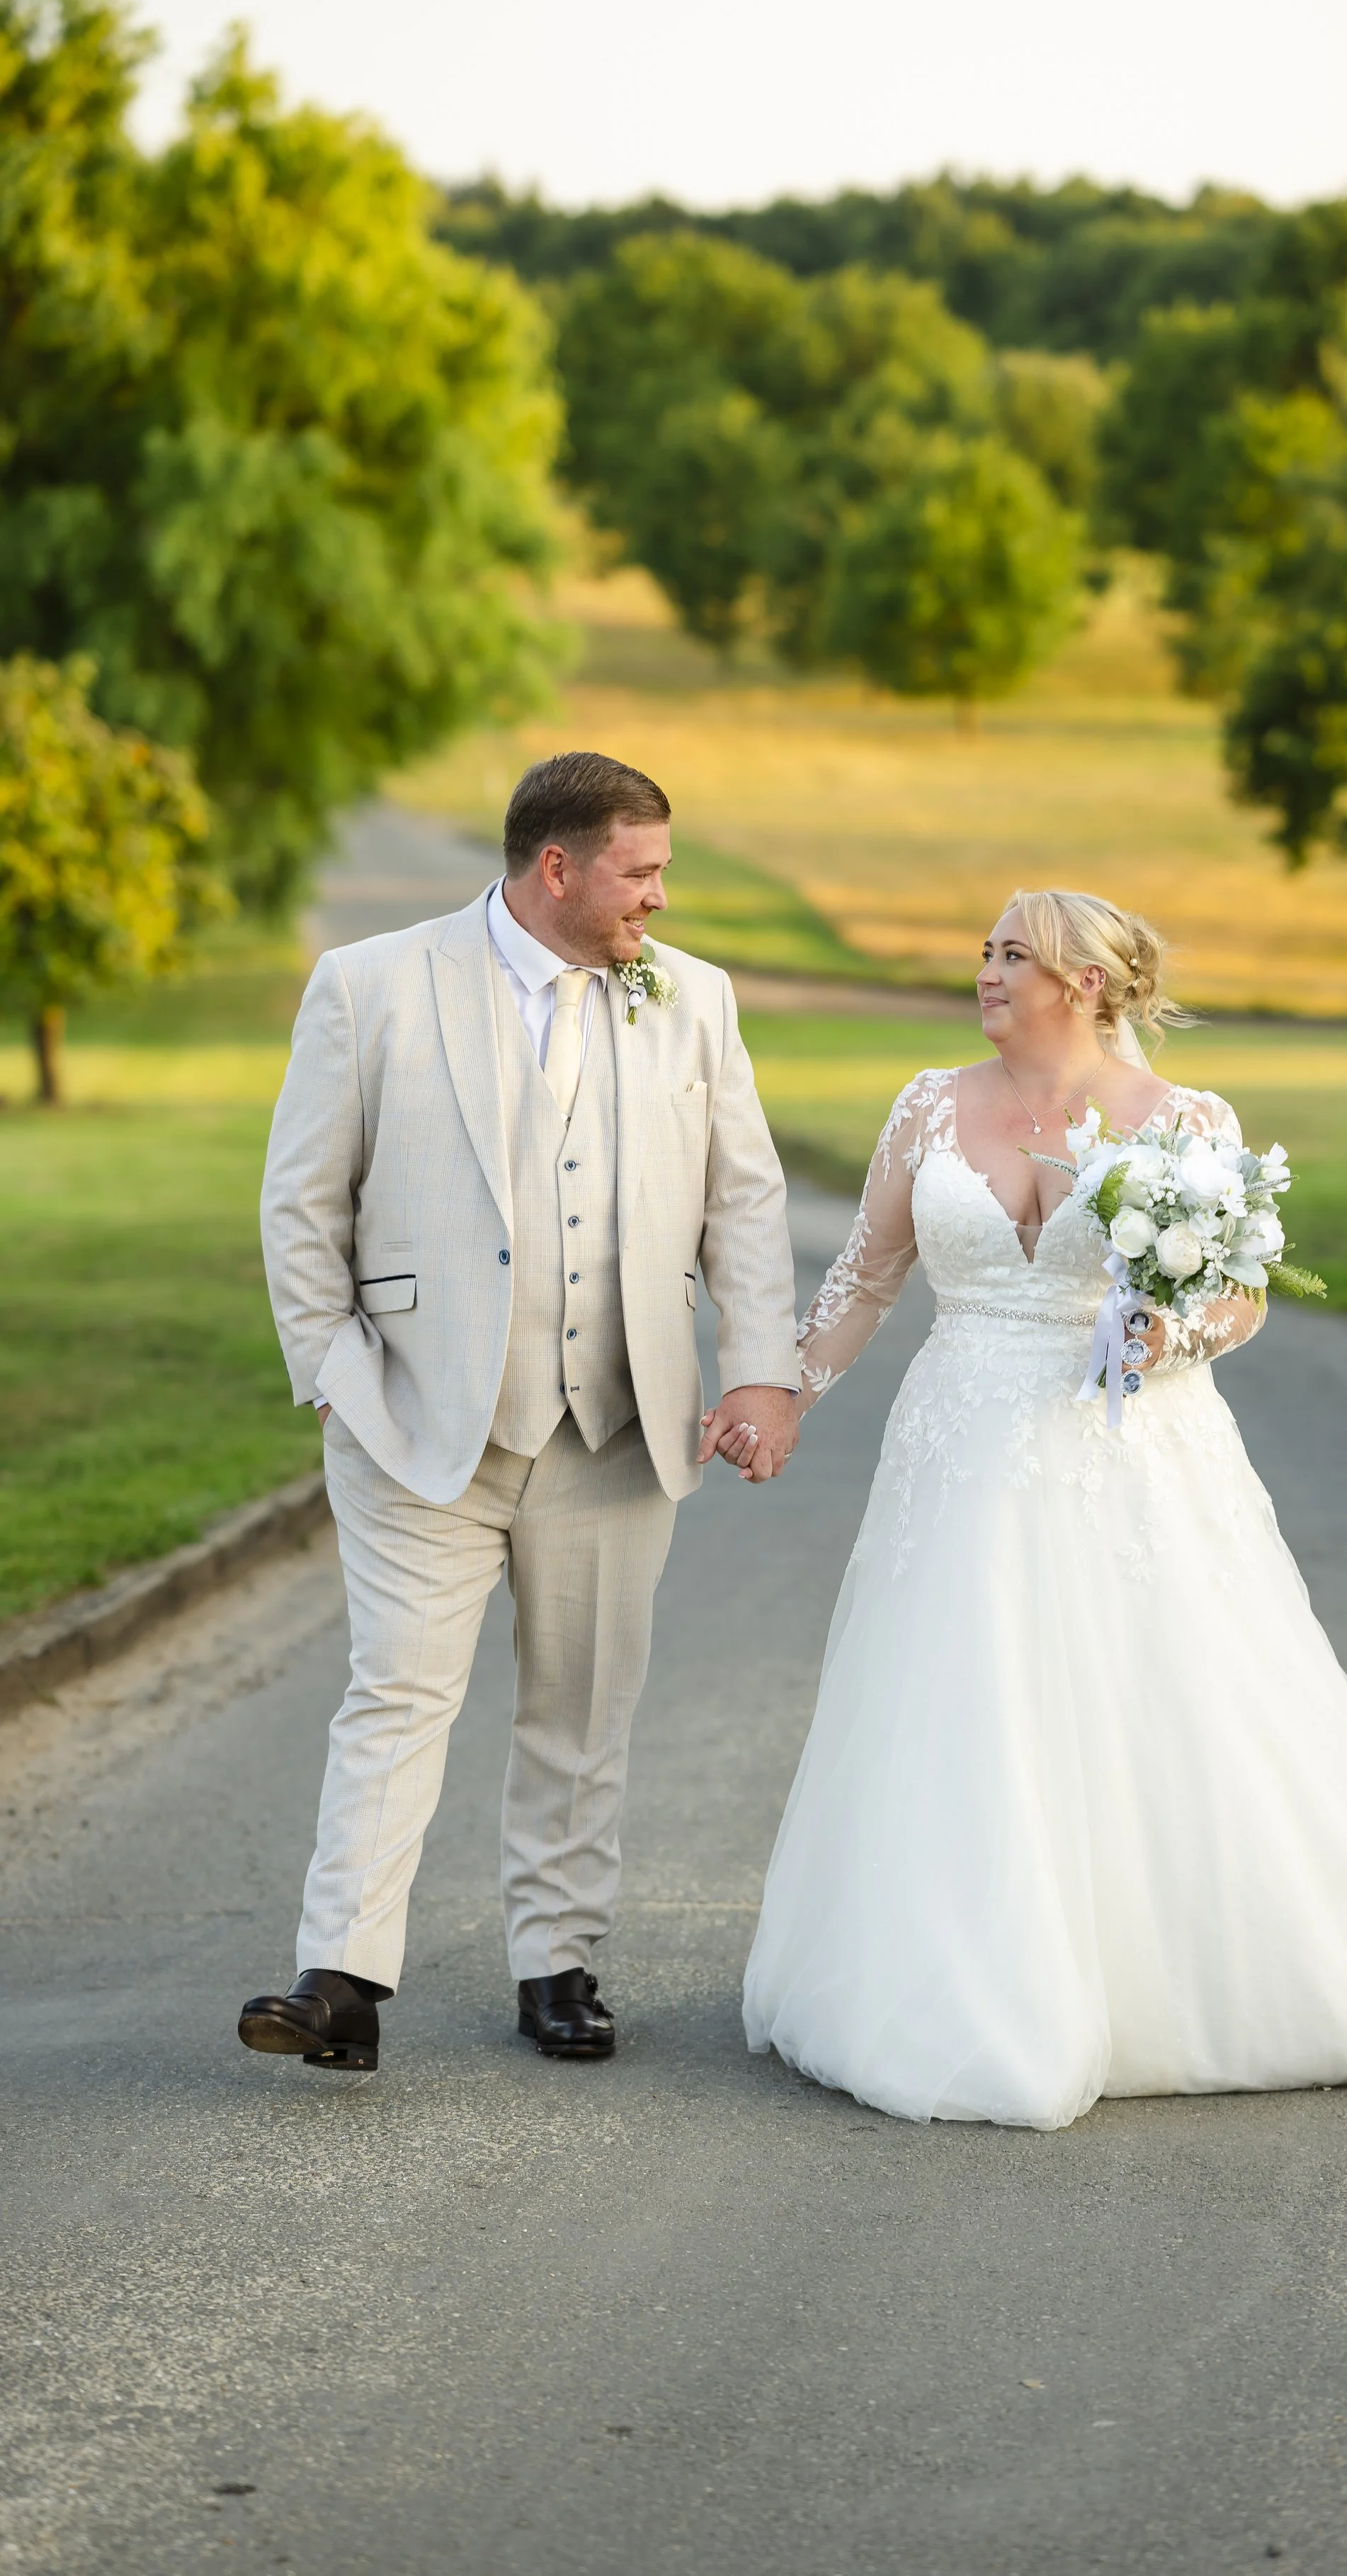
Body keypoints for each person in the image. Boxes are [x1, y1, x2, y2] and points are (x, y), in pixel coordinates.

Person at [742, 888, 1347, 2129]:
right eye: (987, 950)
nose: (987, 970)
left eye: (1014, 954)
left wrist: (1175, 1331)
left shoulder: (1184, 1121)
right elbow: (866, 1276)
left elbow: (1243, 1296)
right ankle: (966, 1981)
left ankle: (1178, 1975)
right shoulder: (925, 1106)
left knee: (1158, 1694)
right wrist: (788, 1393)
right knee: (966, 1696)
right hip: (959, 1442)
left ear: (1085, 984)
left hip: (1129, 1442)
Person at [240, 751, 799, 2075]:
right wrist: (328, 1367)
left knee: (583, 1703)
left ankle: (559, 1960)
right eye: (640, 871)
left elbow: (749, 1197)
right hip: (415, 1415)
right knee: (396, 1694)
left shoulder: (692, 1000)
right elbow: (301, 1201)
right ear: (559, 867)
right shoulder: (373, 984)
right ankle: (340, 1977)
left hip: (615, 1417)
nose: (659, 899)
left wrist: (764, 1367)